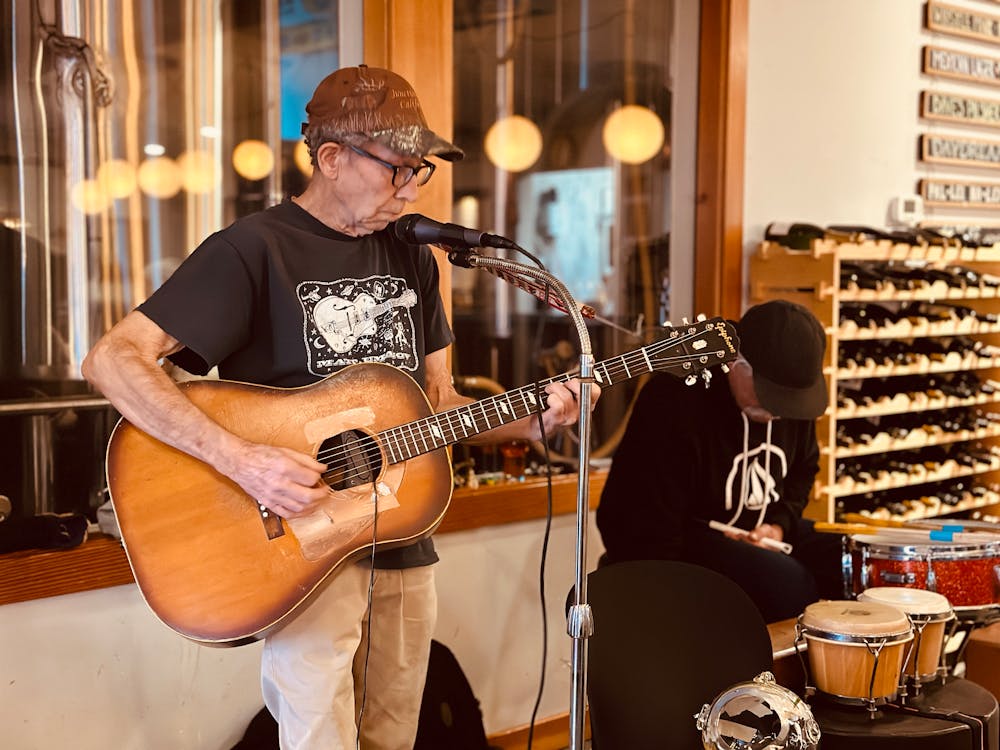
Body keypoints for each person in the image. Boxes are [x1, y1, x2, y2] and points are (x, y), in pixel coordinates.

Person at [82, 64, 597, 749]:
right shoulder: (251, 250)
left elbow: (437, 402)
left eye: (422, 172)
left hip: (403, 535)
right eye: (399, 169)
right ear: (330, 158)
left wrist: (533, 417)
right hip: (299, 542)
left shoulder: (412, 256)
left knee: (394, 735)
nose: (412, 188)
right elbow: (112, 360)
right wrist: (242, 461)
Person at [595, 299, 843, 623]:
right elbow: (641, 528)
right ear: (736, 363)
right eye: (769, 399)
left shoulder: (789, 402)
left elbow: (803, 470)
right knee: (788, 584)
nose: (775, 414)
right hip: (685, 539)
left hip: (762, 531)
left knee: (847, 558)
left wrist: (778, 527)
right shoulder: (674, 401)